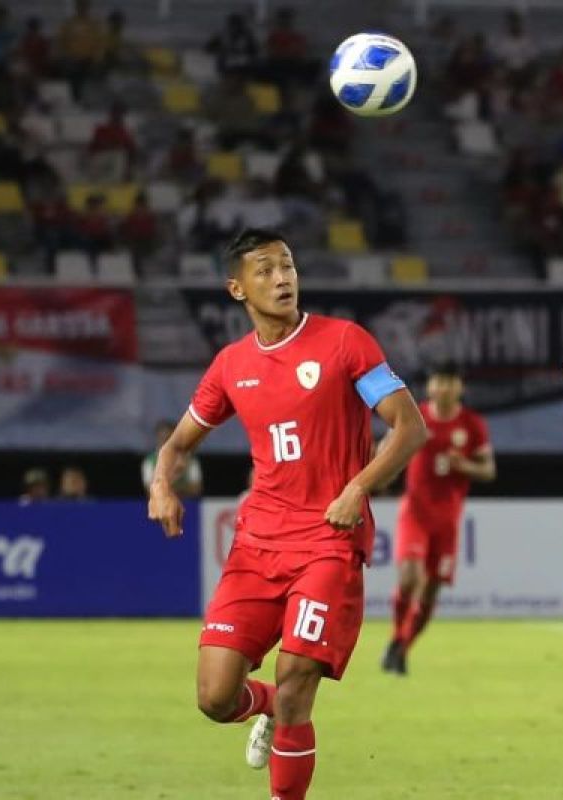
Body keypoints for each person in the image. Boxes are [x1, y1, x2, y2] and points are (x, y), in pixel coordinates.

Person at [147, 228, 427, 800]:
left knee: (297, 678)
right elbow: (177, 445)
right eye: (267, 270)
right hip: (257, 545)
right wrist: (161, 485)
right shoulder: (230, 366)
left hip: (328, 541)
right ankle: (269, 710)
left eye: (288, 266)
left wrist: (357, 489)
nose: (282, 279)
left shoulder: (345, 342)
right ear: (237, 288)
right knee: (214, 697)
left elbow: (409, 426)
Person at [383, 364, 495, 675]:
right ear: (430, 386)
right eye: (439, 381)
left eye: (450, 381)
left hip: (447, 519)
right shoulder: (415, 416)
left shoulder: (471, 424)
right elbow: (388, 447)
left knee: (431, 589)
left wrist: (465, 466)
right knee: (409, 578)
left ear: (459, 386)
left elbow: (488, 470)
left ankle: (404, 646)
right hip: (415, 512)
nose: (444, 387)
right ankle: (396, 637)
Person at [142, 420, 203, 498]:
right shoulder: (149, 462)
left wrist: (165, 489)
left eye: (168, 438)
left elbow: (196, 489)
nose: (165, 442)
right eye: (162, 438)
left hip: (188, 505)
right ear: (157, 438)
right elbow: (149, 490)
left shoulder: (191, 461)